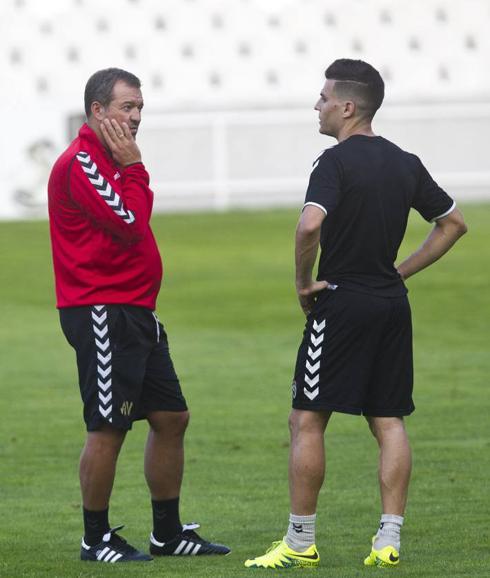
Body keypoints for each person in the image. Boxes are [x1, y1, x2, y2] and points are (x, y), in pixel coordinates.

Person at [244, 59, 467, 570]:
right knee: (388, 420)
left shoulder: (333, 162)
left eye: (323, 99)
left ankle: (300, 542)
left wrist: (303, 283)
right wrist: (399, 272)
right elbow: (453, 224)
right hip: (391, 305)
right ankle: (388, 539)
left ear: (347, 107)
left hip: (340, 304)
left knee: (307, 418)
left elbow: (308, 227)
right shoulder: (405, 162)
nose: (317, 106)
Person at [48, 68, 230, 563]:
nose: (135, 117)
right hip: (102, 311)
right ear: (97, 112)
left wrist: (128, 167)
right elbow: (130, 222)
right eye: (126, 107)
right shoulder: (82, 162)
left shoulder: (109, 162)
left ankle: (167, 534)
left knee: (172, 417)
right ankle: (96, 538)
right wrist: (135, 167)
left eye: (140, 108)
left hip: (136, 312)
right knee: (108, 425)